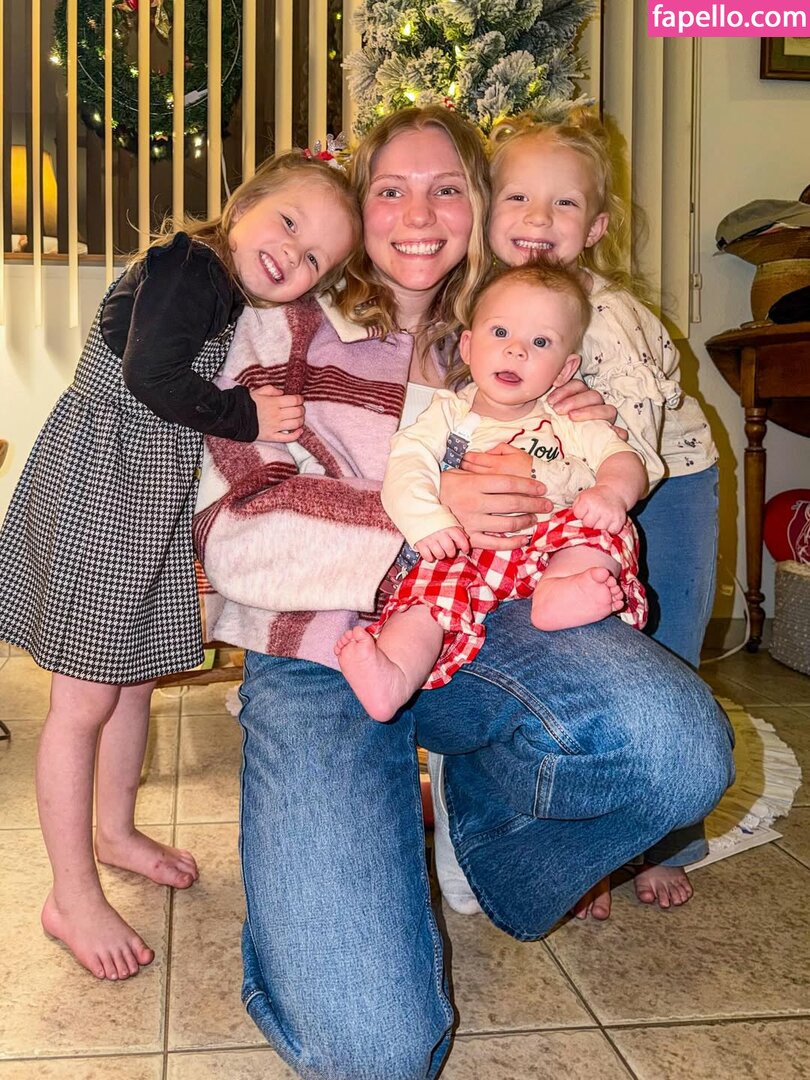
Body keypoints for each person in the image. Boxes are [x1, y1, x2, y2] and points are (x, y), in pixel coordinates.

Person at [194, 105, 734, 1080]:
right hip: (323, 657)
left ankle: (486, 824)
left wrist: (576, 472)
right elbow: (235, 526)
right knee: (378, 1051)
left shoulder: (518, 330)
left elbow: (590, 475)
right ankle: (353, 870)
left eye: (446, 188)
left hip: (491, 631)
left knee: (678, 750)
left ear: (479, 207)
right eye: (389, 189)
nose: (418, 213)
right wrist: (425, 512)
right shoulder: (283, 320)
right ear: (356, 206)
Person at [0, 153, 361, 982]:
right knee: (83, 701)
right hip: (101, 491)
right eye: (289, 223)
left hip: (142, 499)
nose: (293, 253)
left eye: (315, 258)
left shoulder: (226, 289)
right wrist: (246, 415)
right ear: (244, 204)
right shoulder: (190, 264)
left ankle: (115, 831)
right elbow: (150, 373)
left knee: (132, 683)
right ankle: (69, 895)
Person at [482, 112, 721, 917]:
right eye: (517, 197)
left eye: (564, 204)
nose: (538, 219)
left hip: (664, 485)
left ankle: (667, 842)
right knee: (589, 659)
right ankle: (600, 840)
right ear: (486, 211)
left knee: (667, 651)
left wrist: (566, 495)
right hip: (577, 492)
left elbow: (637, 456)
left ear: (596, 227)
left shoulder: (608, 318)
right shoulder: (490, 304)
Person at [335, 262, 647, 722]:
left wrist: (611, 492)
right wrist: (428, 522)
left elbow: (623, 460)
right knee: (427, 597)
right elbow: (406, 464)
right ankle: (394, 675)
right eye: (500, 332)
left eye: (540, 342)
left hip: (551, 548)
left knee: (601, 528)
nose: (516, 350)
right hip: (473, 551)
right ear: (468, 345)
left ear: (565, 369)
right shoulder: (447, 414)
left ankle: (561, 594)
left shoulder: (568, 416)